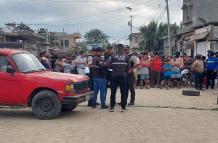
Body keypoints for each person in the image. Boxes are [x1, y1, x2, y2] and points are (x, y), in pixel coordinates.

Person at [109, 44, 129, 112]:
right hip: (123, 76)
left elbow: (109, 65)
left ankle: (112, 107)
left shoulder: (113, 56)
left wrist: (114, 69)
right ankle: (123, 108)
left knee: (113, 92)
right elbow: (128, 67)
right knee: (123, 92)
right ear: (123, 48)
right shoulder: (126, 56)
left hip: (114, 76)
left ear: (117, 48)